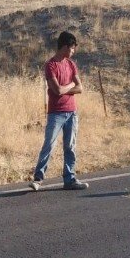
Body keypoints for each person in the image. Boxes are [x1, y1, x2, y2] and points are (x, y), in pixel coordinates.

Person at [29, 31, 88, 191]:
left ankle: (70, 179)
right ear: (65, 47)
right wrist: (71, 85)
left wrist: (68, 86)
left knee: (70, 147)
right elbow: (57, 90)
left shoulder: (71, 64)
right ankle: (38, 179)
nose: (73, 51)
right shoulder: (51, 65)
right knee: (49, 145)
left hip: (72, 112)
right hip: (56, 113)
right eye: (72, 48)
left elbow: (80, 88)